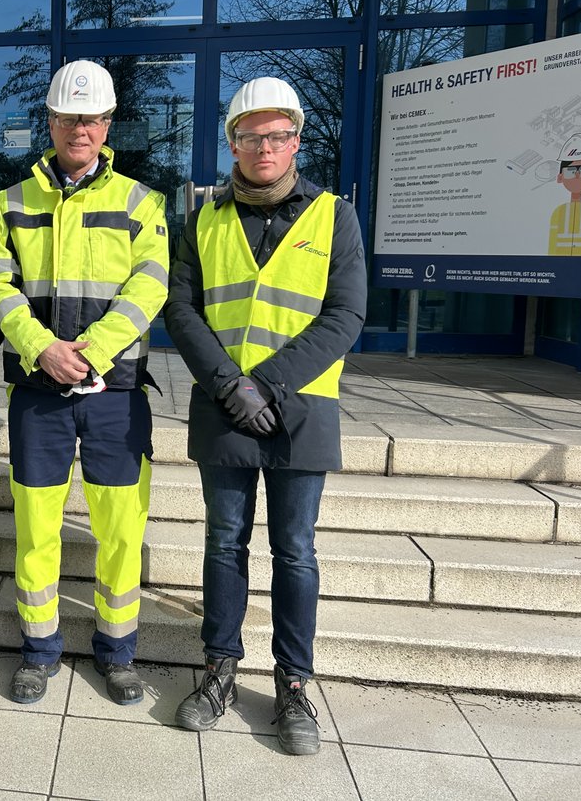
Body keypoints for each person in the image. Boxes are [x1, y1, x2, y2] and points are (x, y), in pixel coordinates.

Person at [164, 77, 366, 755]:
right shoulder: (200, 219)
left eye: (278, 135)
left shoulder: (334, 216)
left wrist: (267, 385)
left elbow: (346, 315)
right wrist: (230, 385)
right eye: (251, 136)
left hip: (301, 409)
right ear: (233, 142)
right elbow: (181, 309)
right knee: (225, 544)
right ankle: (219, 669)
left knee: (295, 551)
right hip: (224, 406)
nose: (265, 147)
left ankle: (294, 687)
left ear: (296, 141)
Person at [0, 60, 169, 706]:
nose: (79, 129)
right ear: (51, 122)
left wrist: (91, 351)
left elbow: (151, 286)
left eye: (90, 118)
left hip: (115, 394)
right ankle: (39, 652)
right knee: (36, 528)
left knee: (120, 529)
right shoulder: (8, 202)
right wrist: (42, 351)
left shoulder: (142, 202)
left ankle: (117, 654)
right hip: (39, 393)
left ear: (107, 123)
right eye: (68, 118)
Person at [550, 133, 581, 256]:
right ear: (560, 177)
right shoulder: (559, 212)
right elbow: (552, 247)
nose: (577, 176)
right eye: (571, 171)